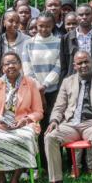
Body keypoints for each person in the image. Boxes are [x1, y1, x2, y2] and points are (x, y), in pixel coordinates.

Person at [45, 51, 92, 183]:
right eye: (80, 63)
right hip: (70, 124)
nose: (83, 65)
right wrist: (54, 120)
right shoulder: (67, 81)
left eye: (86, 62)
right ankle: (56, 182)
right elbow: (59, 106)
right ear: (75, 65)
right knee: (50, 137)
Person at [0, 51, 43, 183]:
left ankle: (15, 179)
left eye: (14, 62)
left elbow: (38, 112)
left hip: (22, 124)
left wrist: (26, 120)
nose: (11, 66)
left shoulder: (30, 83)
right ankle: (0, 177)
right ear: (2, 68)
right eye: (7, 64)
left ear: (20, 65)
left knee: (24, 138)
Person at [22, 12, 63, 162]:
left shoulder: (59, 43)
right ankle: (38, 162)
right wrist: (38, 87)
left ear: (53, 26)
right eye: (40, 26)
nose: (44, 29)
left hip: (53, 91)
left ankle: (54, 162)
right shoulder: (29, 43)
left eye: (47, 26)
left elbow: (59, 67)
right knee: (37, 126)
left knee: (53, 125)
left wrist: (44, 85)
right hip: (33, 92)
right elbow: (27, 69)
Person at [59, 4, 92, 79]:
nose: (84, 17)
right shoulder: (66, 38)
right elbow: (63, 66)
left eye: (87, 14)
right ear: (76, 17)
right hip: (73, 80)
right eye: (81, 15)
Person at [0, 10, 30, 81]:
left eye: (17, 22)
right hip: (3, 84)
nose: (14, 24)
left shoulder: (27, 40)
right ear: (4, 22)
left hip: (23, 83)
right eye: (11, 21)